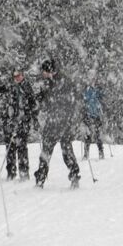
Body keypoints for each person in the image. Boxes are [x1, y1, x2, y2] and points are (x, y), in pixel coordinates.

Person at [33, 59, 81, 189]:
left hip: (63, 120)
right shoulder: (48, 82)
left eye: (44, 71)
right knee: (47, 150)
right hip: (52, 120)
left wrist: (67, 116)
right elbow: (43, 100)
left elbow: (72, 100)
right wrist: (39, 98)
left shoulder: (64, 81)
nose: (42, 74)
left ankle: (74, 175)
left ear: (50, 71)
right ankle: (40, 179)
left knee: (65, 148)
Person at [3, 66, 38, 181]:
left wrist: (33, 118)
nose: (17, 78)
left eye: (18, 75)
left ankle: (23, 172)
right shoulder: (11, 87)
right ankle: (11, 173)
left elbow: (33, 104)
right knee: (10, 146)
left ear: (22, 75)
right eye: (15, 76)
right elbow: (6, 103)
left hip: (23, 120)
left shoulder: (27, 87)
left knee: (22, 147)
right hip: (11, 121)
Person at [82, 77, 105, 160]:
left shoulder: (98, 90)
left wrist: (100, 90)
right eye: (92, 80)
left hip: (97, 114)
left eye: (94, 80)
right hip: (88, 114)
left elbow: (102, 97)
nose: (93, 82)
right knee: (88, 135)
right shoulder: (87, 90)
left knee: (98, 134)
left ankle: (101, 152)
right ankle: (86, 154)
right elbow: (83, 100)